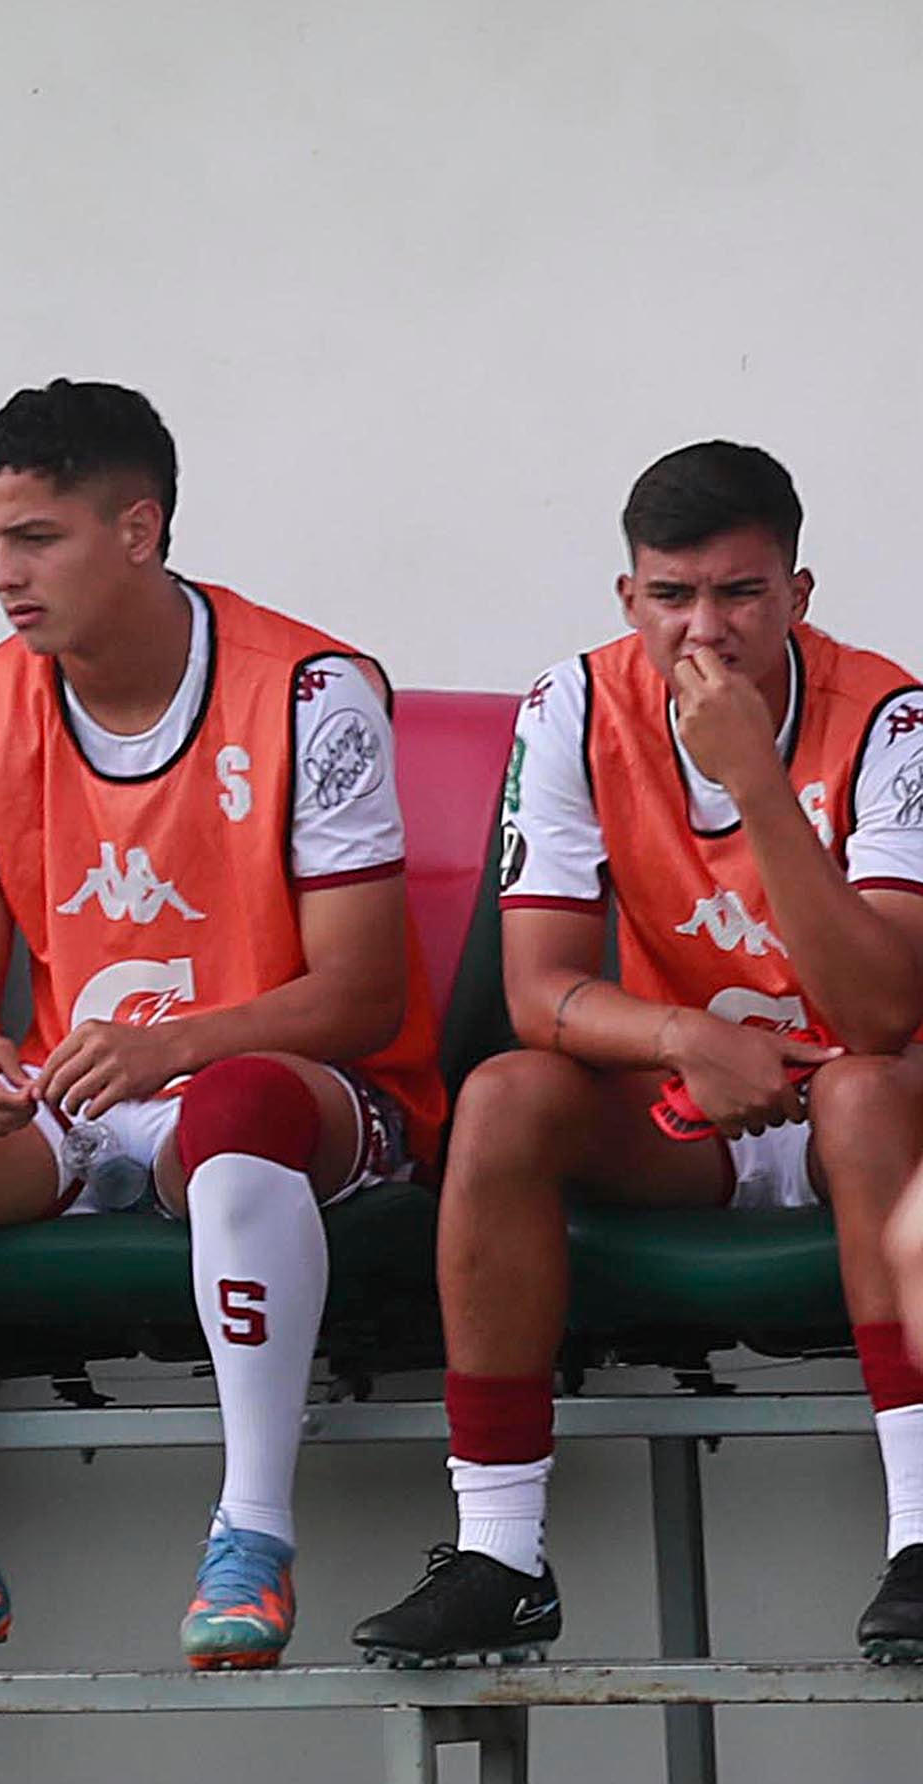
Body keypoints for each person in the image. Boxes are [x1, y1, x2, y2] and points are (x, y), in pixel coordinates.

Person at [0, 381, 443, 1673]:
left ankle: (251, 1536)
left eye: (37, 538)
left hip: (307, 1096)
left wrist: (179, 1042)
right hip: (87, 1091)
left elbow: (364, 994)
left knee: (238, 1110)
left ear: (139, 528)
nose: (5, 576)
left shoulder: (312, 692)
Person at [357, 442, 923, 1668]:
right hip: (697, 1109)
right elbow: (537, 990)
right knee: (507, 1098)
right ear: (629, 599)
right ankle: (501, 1552)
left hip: (868, 1124)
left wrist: (757, 784)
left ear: (798, 594)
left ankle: (922, 1532)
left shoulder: (892, 714)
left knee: (871, 1092)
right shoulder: (572, 706)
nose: (702, 630)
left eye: (738, 594)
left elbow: (879, 1012)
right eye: (671, 597)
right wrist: (682, 1033)